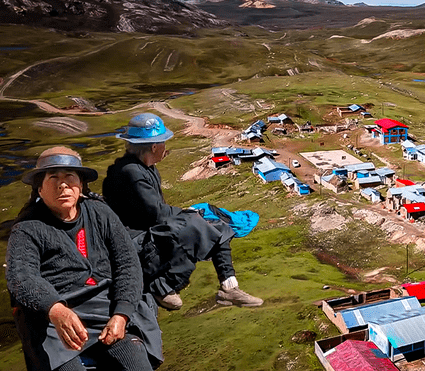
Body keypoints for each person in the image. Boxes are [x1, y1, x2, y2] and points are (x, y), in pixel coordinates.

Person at [6, 147, 163, 371]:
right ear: (40, 189)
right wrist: (55, 309)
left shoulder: (100, 213)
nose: (63, 185)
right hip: (52, 321)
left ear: (80, 186)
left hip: (106, 310)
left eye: (69, 177)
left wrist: (122, 314)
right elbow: (21, 277)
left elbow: (127, 264)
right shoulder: (27, 228)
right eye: (53, 178)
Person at [102, 113, 263, 310]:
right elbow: (156, 214)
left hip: (150, 230)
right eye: (163, 143)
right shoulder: (131, 173)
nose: (165, 148)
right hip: (135, 239)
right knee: (196, 224)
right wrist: (186, 214)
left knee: (217, 226)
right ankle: (163, 286)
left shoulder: (146, 168)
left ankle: (229, 287)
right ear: (154, 146)